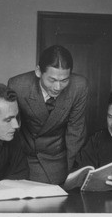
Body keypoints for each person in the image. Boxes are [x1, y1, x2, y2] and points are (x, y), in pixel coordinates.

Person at [8, 45, 88, 185]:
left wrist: (74, 175)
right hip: (27, 157)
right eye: (52, 80)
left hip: (59, 158)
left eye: (64, 80)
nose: (58, 87)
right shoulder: (18, 86)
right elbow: (12, 129)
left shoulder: (79, 87)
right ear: (38, 71)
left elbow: (76, 132)